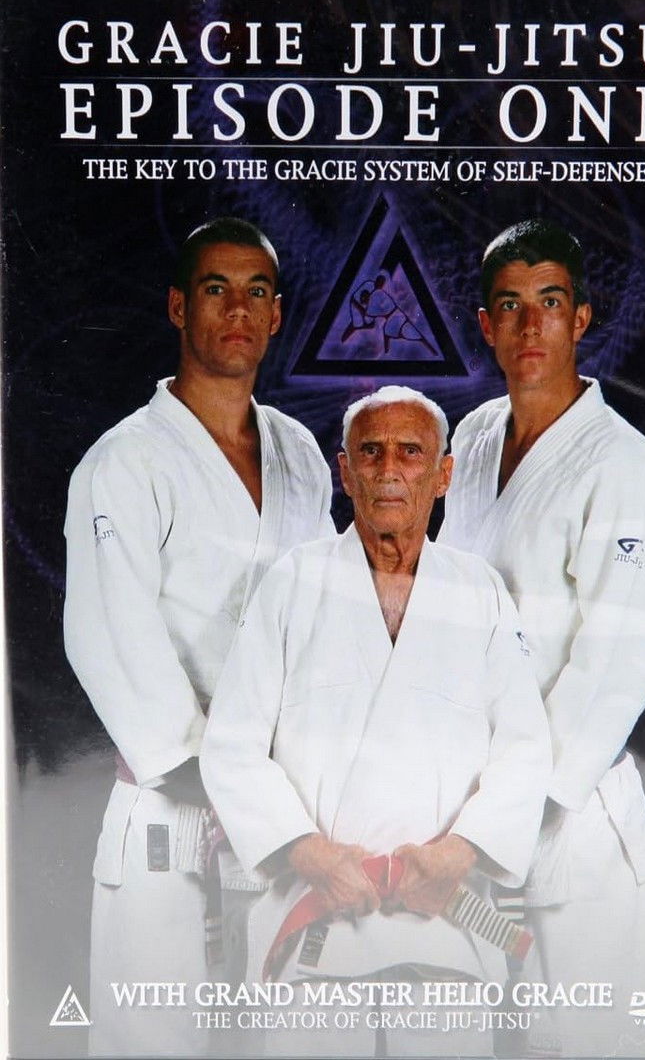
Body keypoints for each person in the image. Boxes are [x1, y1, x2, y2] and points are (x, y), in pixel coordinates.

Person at [201, 385, 552, 1058]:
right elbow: (232, 745)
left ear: (443, 475)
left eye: (412, 453)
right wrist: (310, 853)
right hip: (317, 922)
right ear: (345, 471)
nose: (390, 469)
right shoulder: (292, 582)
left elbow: (525, 750)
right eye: (371, 452)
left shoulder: (479, 590)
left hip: (444, 924)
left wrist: (458, 853)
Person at [63, 217, 334, 1057]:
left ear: (277, 315)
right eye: (217, 289)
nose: (238, 311)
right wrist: (222, 775)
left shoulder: (299, 454)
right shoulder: (125, 462)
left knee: (290, 1041)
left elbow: (328, 617)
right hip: (170, 816)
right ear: (180, 306)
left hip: (283, 815)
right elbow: (108, 638)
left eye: (257, 292)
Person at [440, 219, 645, 1057]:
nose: (529, 325)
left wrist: (510, 812)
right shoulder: (472, 439)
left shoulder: (626, 468)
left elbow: (620, 664)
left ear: (580, 319)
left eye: (549, 302)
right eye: (509, 306)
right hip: (464, 809)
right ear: (485, 325)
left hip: (569, 818)